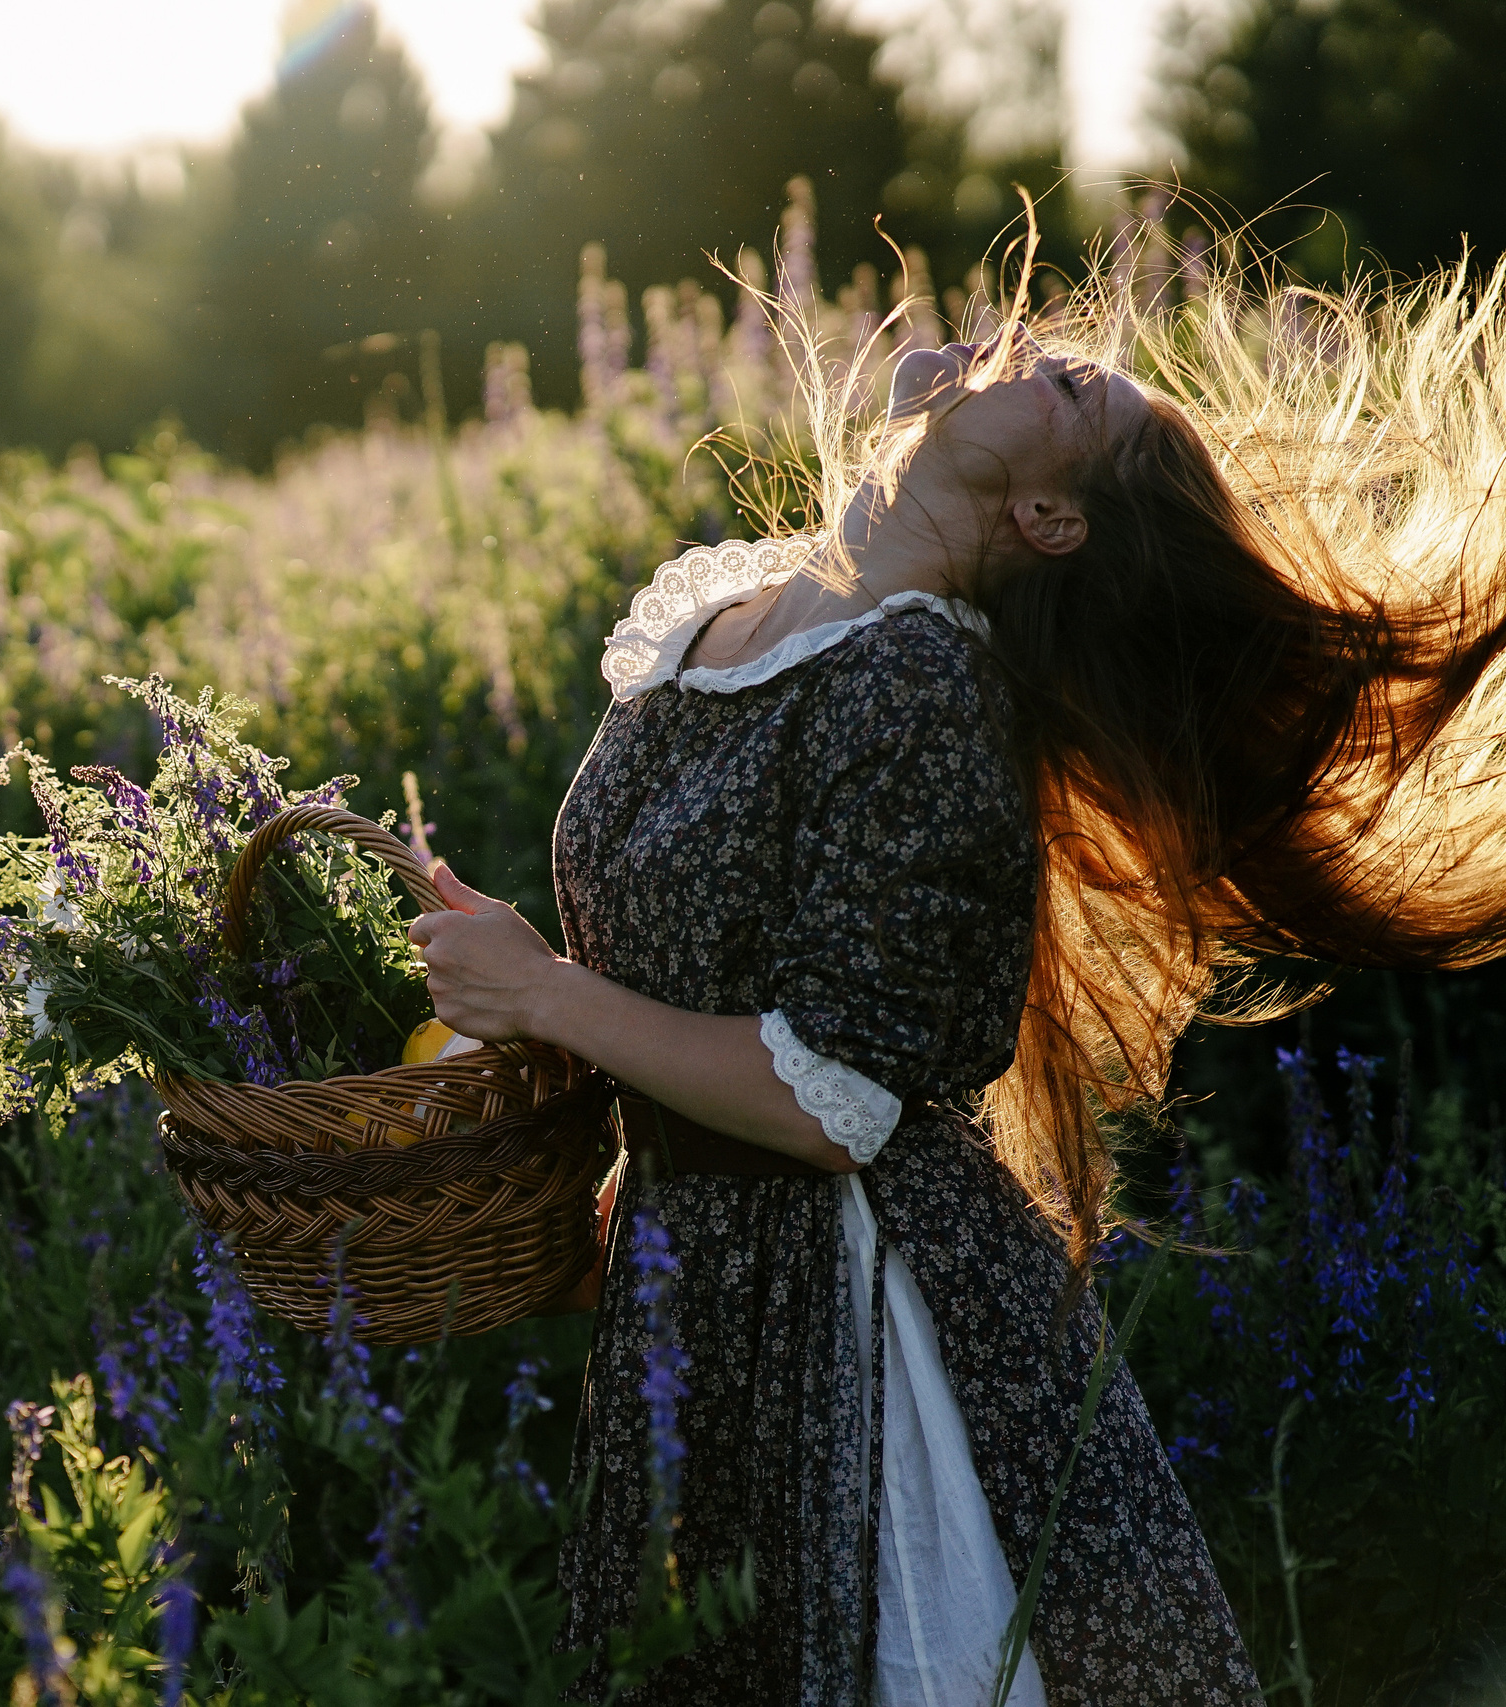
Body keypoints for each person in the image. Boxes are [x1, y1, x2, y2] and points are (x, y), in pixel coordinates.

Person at [407, 251, 1506, 1703]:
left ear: (1048, 516)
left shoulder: (923, 682)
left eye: (1065, 385)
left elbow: (836, 1098)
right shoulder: (742, 617)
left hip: (855, 1312)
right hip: (698, 1278)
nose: (1026, 340)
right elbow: (692, 970)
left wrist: (547, 995)